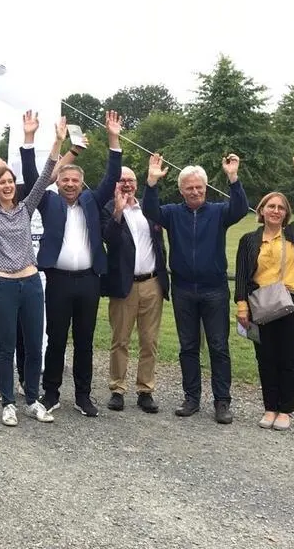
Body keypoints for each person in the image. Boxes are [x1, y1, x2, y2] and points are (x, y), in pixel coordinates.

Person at [0, 112, 64, 426]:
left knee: (33, 346)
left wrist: (57, 141)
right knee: (6, 348)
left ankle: (31, 400)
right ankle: (8, 403)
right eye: (1, 183)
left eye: (10, 182)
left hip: (30, 284)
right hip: (2, 286)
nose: (7, 186)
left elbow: (44, 178)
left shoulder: (25, 208)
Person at [23, 111, 123, 418]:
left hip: (89, 280)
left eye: (74, 180)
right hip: (58, 280)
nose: (69, 184)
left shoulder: (92, 201)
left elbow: (112, 175)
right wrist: (30, 138)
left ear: (81, 183)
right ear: (58, 182)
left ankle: (83, 395)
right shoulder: (48, 201)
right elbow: (32, 177)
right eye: (64, 179)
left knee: (85, 341)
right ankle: (51, 393)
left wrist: (113, 138)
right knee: (55, 339)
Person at [142, 152, 248, 423]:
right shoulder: (172, 213)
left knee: (218, 346)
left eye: (199, 187)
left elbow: (240, 208)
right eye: (189, 188)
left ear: (206, 187)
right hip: (184, 289)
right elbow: (150, 211)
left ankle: (222, 401)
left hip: (214, 289)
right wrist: (151, 183)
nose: (194, 191)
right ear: (181, 190)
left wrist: (233, 177)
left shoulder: (219, 212)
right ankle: (191, 398)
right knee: (188, 346)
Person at [235, 155, 294, 431]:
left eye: (280, 208)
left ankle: (285, 410)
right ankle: (270, 407)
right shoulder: (249, 240)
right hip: (261, 305)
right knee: (265, 359)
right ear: (261, 210)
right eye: (271, 206)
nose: (275, 211)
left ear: (286, 213)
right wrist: (242, 307)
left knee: (288, 358)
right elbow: (241, 276)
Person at [101, 167, 169, 413]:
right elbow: (108, 238)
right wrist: (119, 212)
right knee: (120, 339)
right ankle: (117, 388)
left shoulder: (149, 209)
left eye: (130, 180)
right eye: (121, 180)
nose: (127, 184)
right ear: (115, 184)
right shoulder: (108, 209)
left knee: (149, 340)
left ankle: (145, 390)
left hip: (152, 282)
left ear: (137, 184)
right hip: (124, 284)